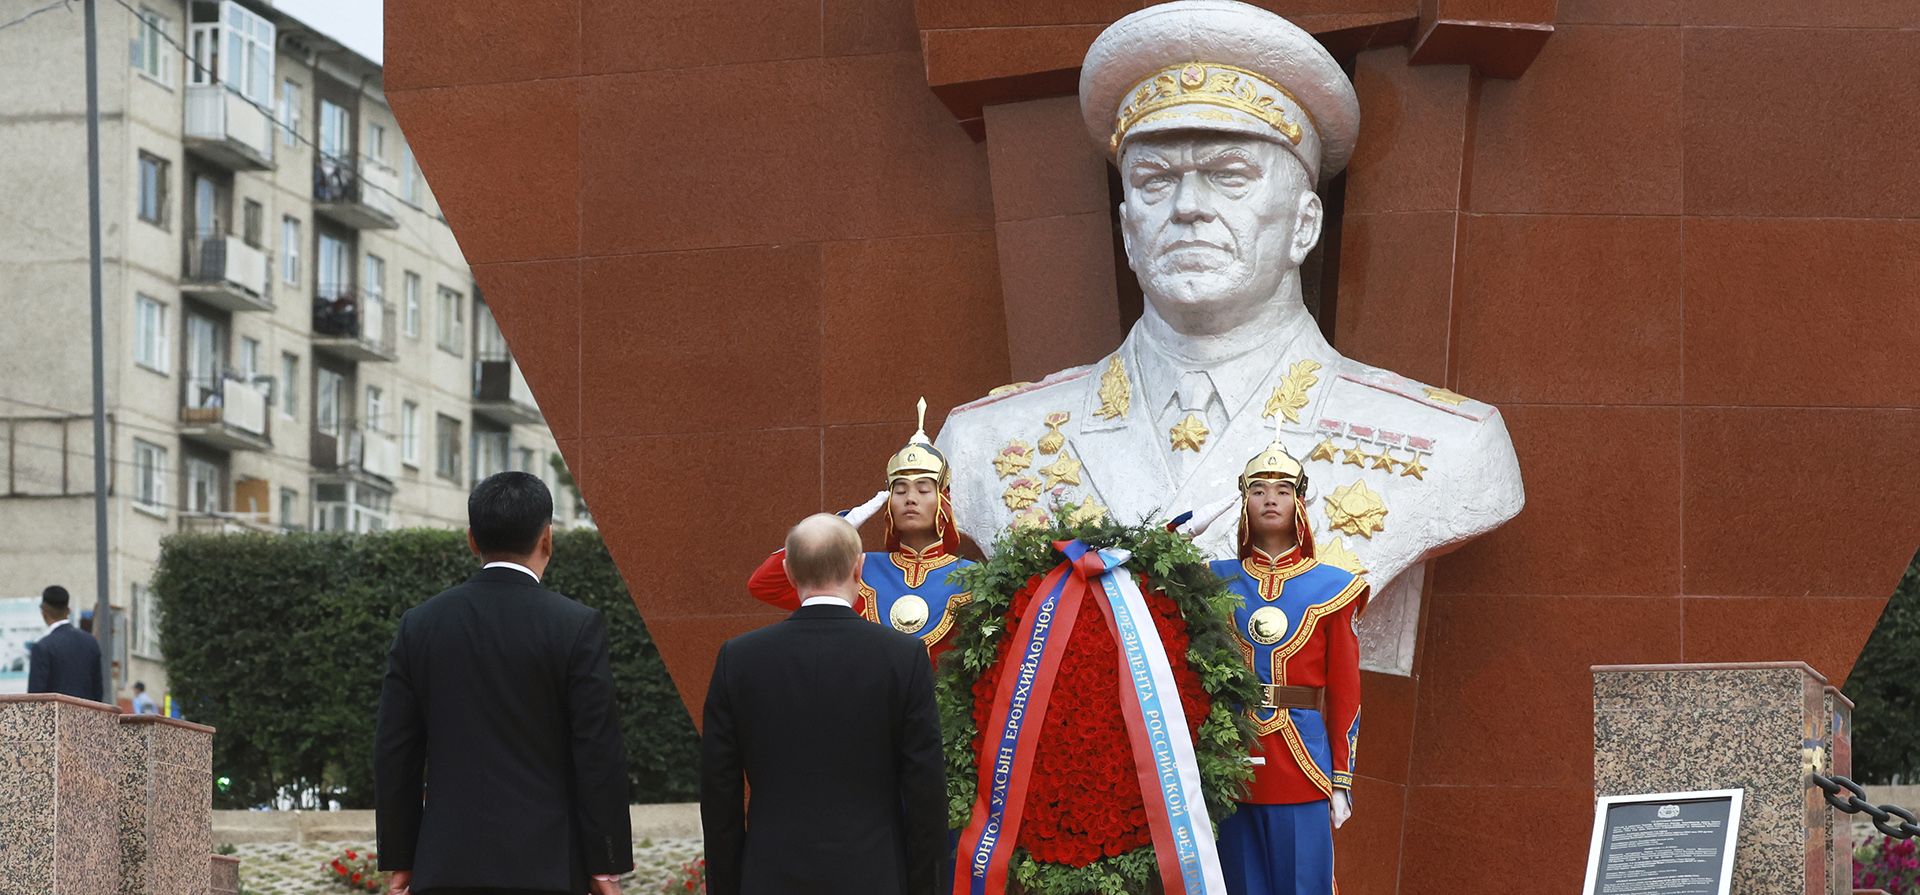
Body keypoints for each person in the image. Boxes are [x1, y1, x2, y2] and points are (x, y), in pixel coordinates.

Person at [933, 0, 1523, 662]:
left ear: (1304, 224)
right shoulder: (986, 441)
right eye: (1155, 180)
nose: (1187, 208)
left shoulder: (1447, 447)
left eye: (1228, 175)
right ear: (1129, 232)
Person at [375, 472, 632, 895]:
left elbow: (395, 750)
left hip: (445, 862)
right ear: (548, 538)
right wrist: (605, 864)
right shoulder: (576, 626)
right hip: (548, 863)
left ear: (472, 539)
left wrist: (401, 856)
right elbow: (598, 752)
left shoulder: (419, 625)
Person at [702, 513, 946, 895]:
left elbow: (719, 793)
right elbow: (924, 790)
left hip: (770, 875)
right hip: (874, 874)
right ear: (859, 566)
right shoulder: (903, 657)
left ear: (786, 569)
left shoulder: (740, 658)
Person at [1203, 432, 1366, 895]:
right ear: (1243, 502)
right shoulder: (1213, 581)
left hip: (1304, 761)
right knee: (1240, 885)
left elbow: (1345, 691)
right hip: (1233, 760)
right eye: (1257, 490)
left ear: (1299, 502)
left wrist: (1341, 779)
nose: (1269, 499)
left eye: (1282, 490)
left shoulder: (1334, 586)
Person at [746, 399, 975, 662]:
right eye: (899, 490)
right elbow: (765, 585)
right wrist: (839, 528)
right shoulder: (859, 569)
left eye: (923, 490)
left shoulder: (973, 577)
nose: (910, 498)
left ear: (943, 502)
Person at [28, 585, 103, 703]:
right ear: (68, 610)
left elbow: (35, 699)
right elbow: (98, 691)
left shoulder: (42, 647)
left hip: (55, 720)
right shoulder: (91, 642)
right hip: (86, 719)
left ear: (43, 611)